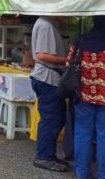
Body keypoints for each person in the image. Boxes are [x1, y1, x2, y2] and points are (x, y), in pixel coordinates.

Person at [72, 16, 105, 179]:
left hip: (83, 95)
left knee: (82, 133)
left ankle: (82, 173)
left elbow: (69, 63)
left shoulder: (81, 41)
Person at [30, 16, 68, 172]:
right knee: (51, 119)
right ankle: (44, 157)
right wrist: (67, 60)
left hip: (47, 78)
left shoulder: (46, 23)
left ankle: (48, 154)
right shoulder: (46, 25)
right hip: (47, 78)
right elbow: (42, 55)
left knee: (56, 117)